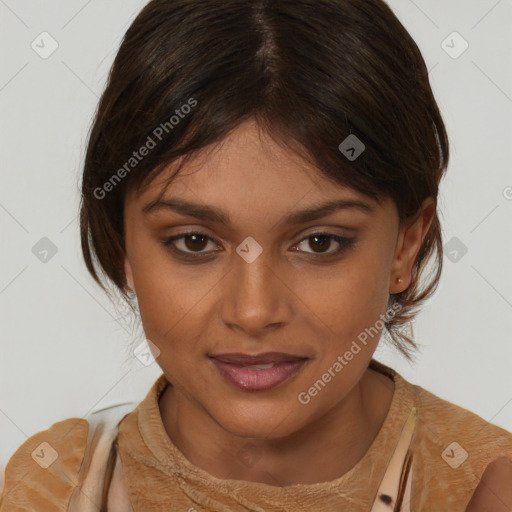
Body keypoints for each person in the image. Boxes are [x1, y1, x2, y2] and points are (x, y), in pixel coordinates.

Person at [1, 0, 511, 510]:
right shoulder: (58, 484)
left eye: (320, 242)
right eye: (194, 242)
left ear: (406, 245)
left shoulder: (486, 486)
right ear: (122, 245)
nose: (253, 312)